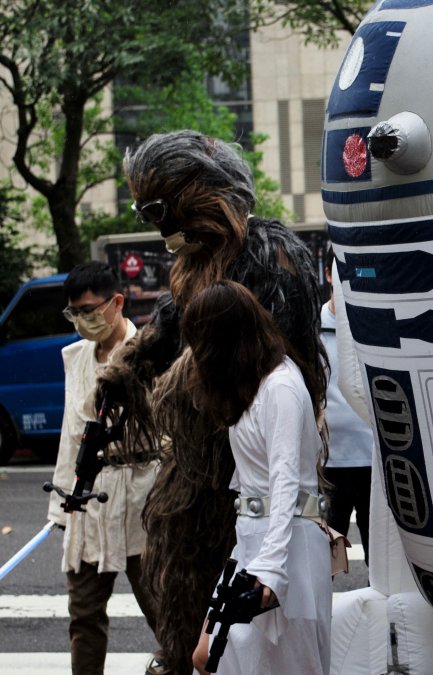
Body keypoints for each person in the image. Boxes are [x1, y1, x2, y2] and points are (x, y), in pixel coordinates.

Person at [98, 130, 327, 672]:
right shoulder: (193, 265)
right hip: (209, 466)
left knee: (270, 644)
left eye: (159, 209)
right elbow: (169, 325)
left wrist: (184, 379)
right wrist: (127, 367)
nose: (157, 225)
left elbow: (269, 353)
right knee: (183, 573)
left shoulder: (268, 255)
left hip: (252, 464)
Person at [186, 282, 332, 675]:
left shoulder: (280, 387)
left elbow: (285, 482)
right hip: (256, 542)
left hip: (287, 549)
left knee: (286, 667)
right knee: (209, 658)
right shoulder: (256, 384)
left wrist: (271, 567)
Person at [47, 262, 165, 675]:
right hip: (87, 497)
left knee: (161, 607)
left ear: (117, 302)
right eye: (75, 313)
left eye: (90, 310)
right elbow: (70, 433)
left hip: (141, 493)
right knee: (83, 612)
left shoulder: (150, 351)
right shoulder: (76, 356)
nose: (83, 320)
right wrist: (62, 506)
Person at [320, 252, 372, 563]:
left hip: (372, 460)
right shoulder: (311, 330)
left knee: (377, 559)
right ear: (329, 275)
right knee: (328, 558)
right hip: (329, 463)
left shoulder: (371, 324)